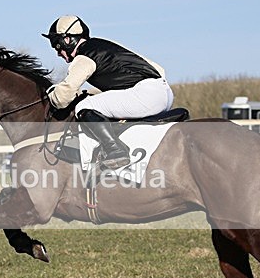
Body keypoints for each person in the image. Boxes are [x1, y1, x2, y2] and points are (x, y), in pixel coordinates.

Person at [43, 15, 173, 170]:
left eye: (57, 45)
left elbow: (63, 97)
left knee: (84, 107)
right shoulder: (101, 45)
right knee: (95, 102)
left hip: (147, 94)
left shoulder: (84, 56)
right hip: (162, 91)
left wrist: (50, 94)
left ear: (68, 40)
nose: (58, 53)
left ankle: (116, 151)